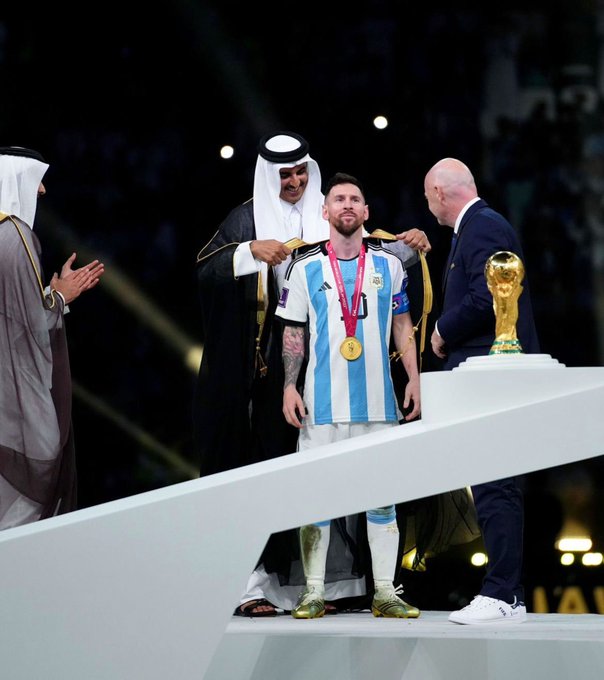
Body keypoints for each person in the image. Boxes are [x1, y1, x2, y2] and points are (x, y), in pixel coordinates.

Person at [194, 132, 430, 616]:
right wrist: (249, 252)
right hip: (268, 377)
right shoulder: (246, 219)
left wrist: (411, 243)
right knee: (270, 480)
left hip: (336, 375)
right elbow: (205, 269)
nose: (295, 181)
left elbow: (375, 262)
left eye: (302, 172)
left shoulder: (331, 211)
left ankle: (339, 588)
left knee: (345, 483)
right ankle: (255, 586)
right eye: (285, 175)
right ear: (269, 176)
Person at [275, 172, 422, 618]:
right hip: (321, 406)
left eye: (355, 199)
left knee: (383, 499)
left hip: (379, 405)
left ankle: (385, 593)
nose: (347, 205)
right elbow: (293, 332)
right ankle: (313, 592)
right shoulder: (303, 267)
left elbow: (403, 325)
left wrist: (414, 378)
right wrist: (288, 385)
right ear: (325, 211)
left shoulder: (389, 266)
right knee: (314, 499)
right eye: (338, 199)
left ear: (366, 212)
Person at [425, 157, 539, 624]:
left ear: (439, 192)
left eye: (428, 196)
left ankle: (502, 594)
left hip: (491, 372)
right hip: (485, 373)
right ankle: (508, 594)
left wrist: (441, 330)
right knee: (492, 484)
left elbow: (489, 297)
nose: (428, 204)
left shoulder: (483, 228)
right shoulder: (477, 228)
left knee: (496, 485)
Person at [0, 145, 104, 529]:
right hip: (14, 404)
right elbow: (30, 326)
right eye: (37, 180)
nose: (42, 190)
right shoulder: (16, 236)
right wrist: (61, 297)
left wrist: (49, 295)